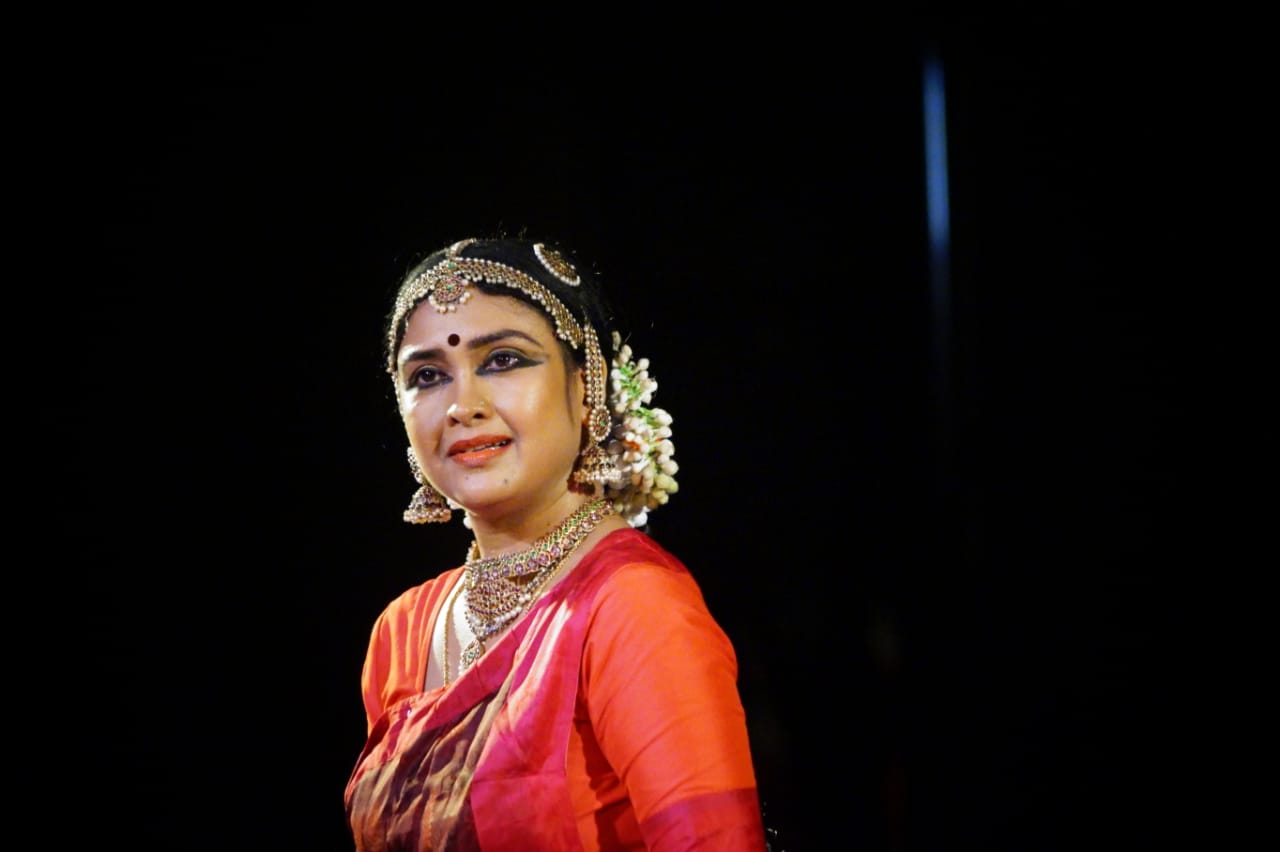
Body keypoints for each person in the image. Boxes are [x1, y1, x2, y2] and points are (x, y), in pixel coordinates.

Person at [344, 236, 768, 850]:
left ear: (587, 385)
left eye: (503, 360)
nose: (463, 406)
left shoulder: (631, 606)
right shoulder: (402, 631)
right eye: (428, 375)